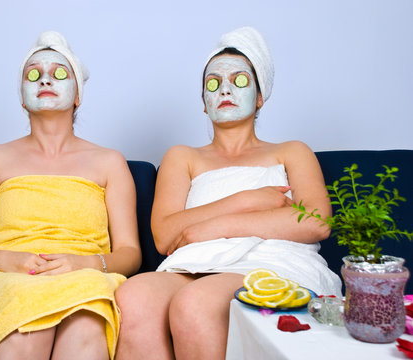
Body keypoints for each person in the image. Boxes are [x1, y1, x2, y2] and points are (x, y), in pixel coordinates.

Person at [114, 27, 342, 360]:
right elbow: (165, 235)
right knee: (133, 295)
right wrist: (248, 201)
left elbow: (316, 222)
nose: (224, 89)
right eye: (213, 83)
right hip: (192, 264)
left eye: (239, 81)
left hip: (270, 263)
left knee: (195, 303)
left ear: (260, 97)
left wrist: (204, 228)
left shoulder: (292, 152)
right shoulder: (182, 157)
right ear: (203, 103)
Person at [0, 31, 141, 360]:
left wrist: (86, 263)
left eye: (60, 73)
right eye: (34, 74)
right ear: (22, 97)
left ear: (77, 95)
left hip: (85, 280)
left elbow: (130, 253)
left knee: (85, 331)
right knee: (27, 333)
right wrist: (5, 260)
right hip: (6, 281)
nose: (45, 80)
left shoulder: (110, 162)